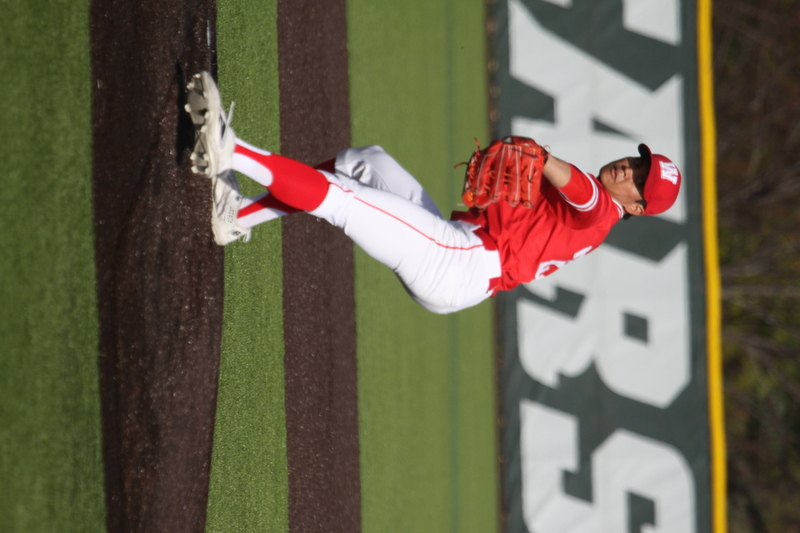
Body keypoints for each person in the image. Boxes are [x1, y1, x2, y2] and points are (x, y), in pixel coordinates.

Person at [185, 71, 682, 314]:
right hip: (460, 248)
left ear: (637, 206)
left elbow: (577, 188)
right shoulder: (596, 203)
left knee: (341, 199)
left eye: (639, 180)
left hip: (459, 263)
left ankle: (231, 150)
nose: (628, 169)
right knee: (366, 162)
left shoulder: (600, 212)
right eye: (638, 162)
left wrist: (545, 157)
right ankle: (237, 216)